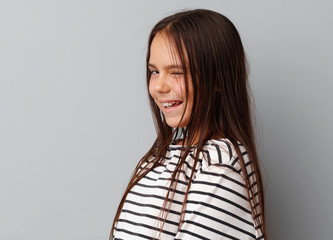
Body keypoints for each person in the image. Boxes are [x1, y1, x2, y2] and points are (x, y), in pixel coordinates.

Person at [110, 9, 266, 240]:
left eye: (177, 72)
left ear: (217, 80)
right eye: (154, 71)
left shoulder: (219, 164)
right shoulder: (158, 158)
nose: (159, 87)